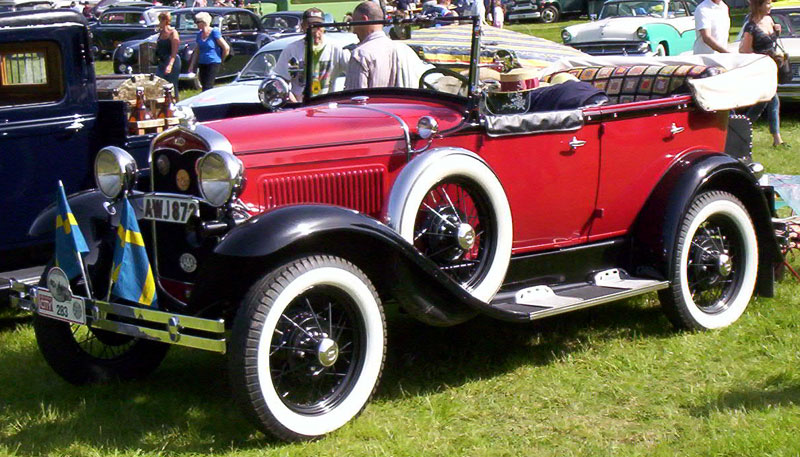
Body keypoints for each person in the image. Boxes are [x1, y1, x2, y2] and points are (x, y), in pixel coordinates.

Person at [345, 1, 428, 89]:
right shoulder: (406, 50)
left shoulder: (360, 54)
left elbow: (355, 98)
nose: (354, 31)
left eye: (354, 24)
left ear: (364, 19)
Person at [275, 8, 351, 101]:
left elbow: (354, 72)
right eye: (311, 26)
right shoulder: (291, 49)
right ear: (303, 27)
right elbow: (280, 81)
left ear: (324, 28)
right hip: (300, 105)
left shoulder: (336, 48)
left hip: (327, 104)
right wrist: (294, 103)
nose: (315, 31)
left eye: (319, 26)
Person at [740, 0, 788, 148]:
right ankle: (776, 138)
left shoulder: (769, 20)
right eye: (767, 3)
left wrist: (777, 31)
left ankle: (739, 130)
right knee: (772, 100)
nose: (770, 6)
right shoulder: (751, 26)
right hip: (759, 68)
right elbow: (744, 51)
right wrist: (763, 56)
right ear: (758, 5)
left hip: (771, 67)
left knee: (763, 103)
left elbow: (771, 43)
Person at [187, 12, 230, 91]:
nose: (196, 24)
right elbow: (197, 51)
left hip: (213, 62)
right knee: (203, 85)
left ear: (204, 22)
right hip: (202, 63)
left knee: (208, 86)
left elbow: (226, 48)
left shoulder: (214, 32)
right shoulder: (199, 34)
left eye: (197, 22)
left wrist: (221, 59)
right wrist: (191, 65)